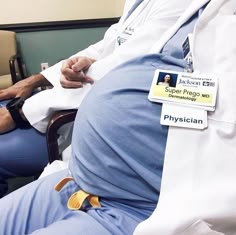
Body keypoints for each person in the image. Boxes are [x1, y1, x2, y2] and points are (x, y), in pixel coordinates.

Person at [1, 0, 235, 234]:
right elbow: (113, 44)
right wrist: (42, 78)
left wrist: (19, 112)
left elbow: (119, 64)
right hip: (83, 177)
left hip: (140, 203)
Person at [0, 0, 192, 198]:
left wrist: (18, 112)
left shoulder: (179, 5)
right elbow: (107, 45)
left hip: (101, 124)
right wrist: (36, 80)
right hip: (78, 107)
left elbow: (123, 68)